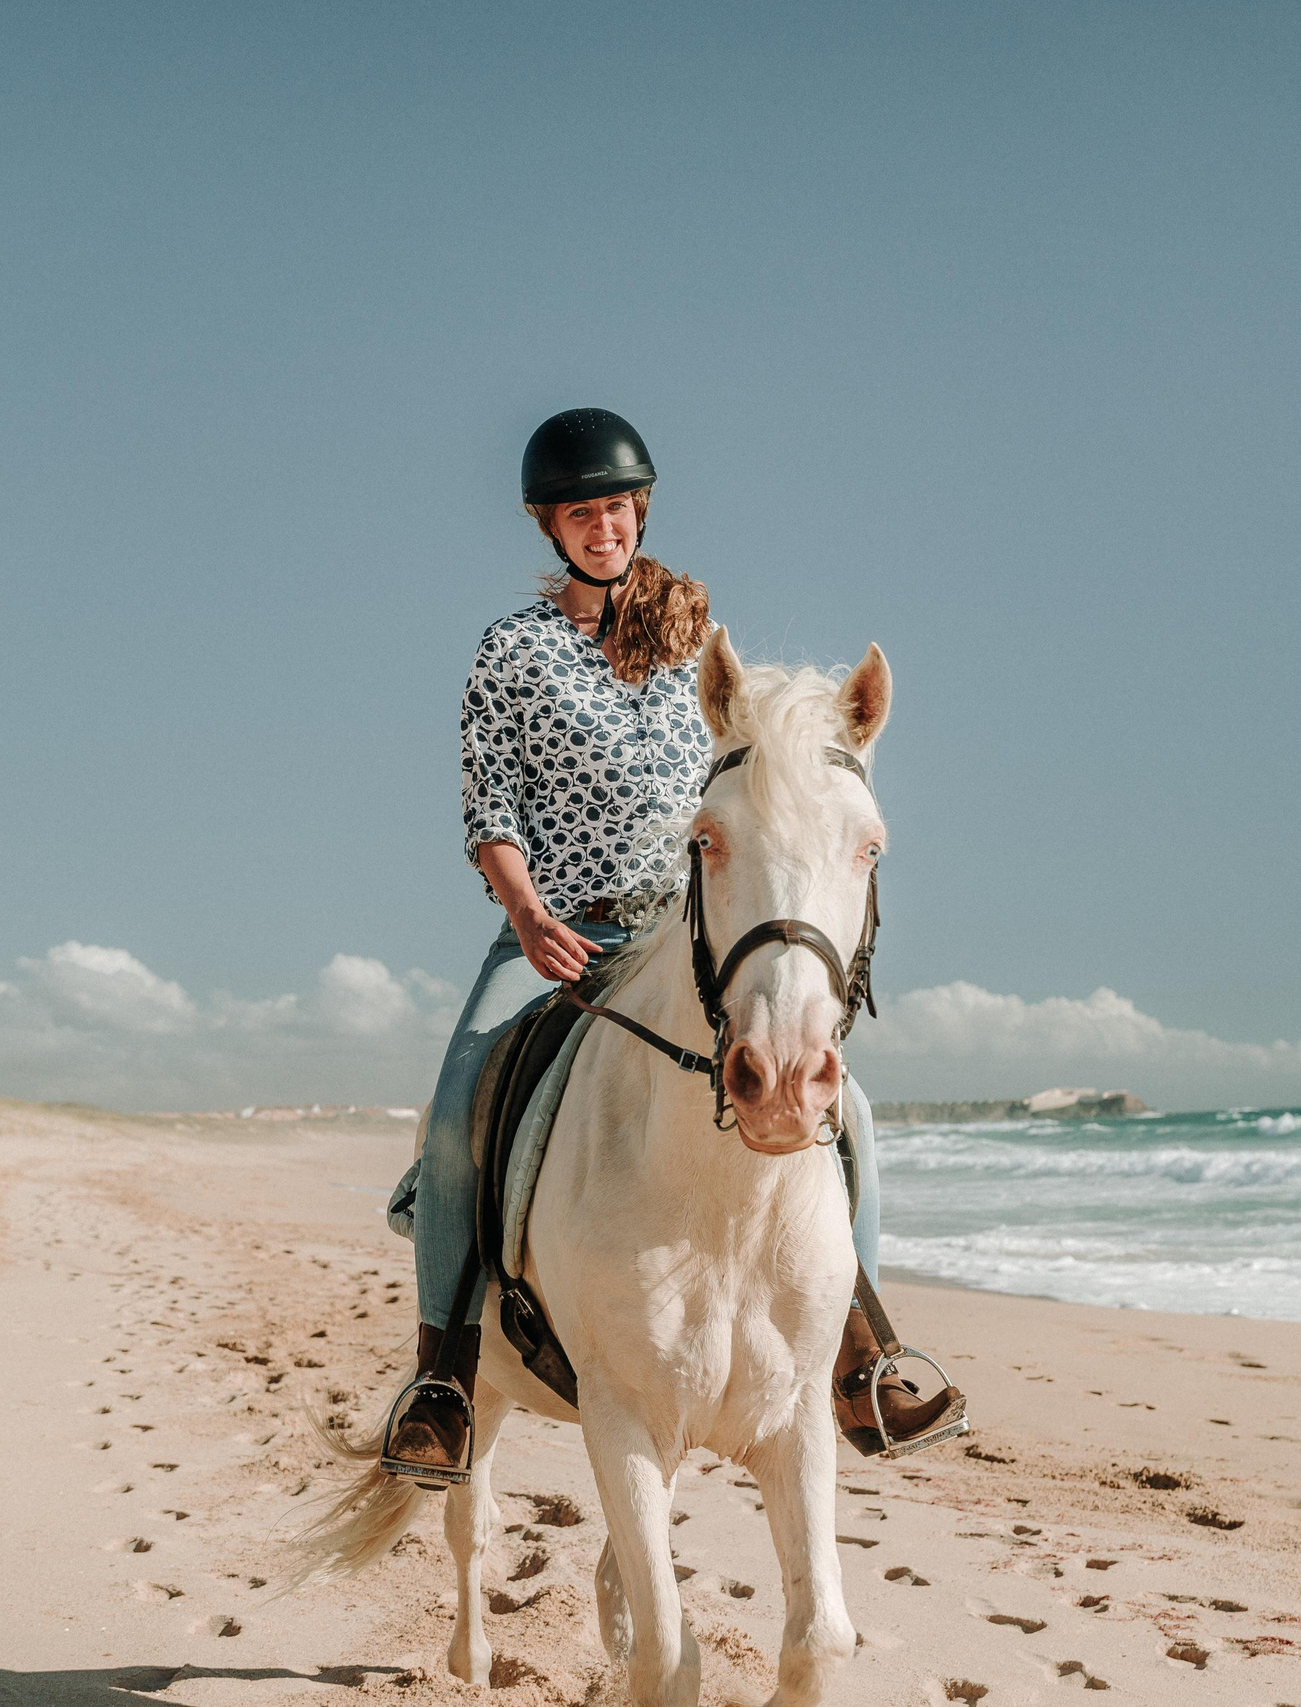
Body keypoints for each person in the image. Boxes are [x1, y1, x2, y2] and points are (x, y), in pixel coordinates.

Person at [378, 408, 954, 1478]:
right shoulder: (513, 651)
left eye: (616, 509)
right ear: (549, 527)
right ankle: (444, 1377)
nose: (602, 528)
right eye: (580, 514)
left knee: (853, 1113)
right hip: (559, 931)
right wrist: (526, 913)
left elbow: (764, 785)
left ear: (640, 512)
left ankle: (860, 1357)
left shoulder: (696, 645)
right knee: (459, 1104)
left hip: (689, 935)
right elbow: (489, 808)